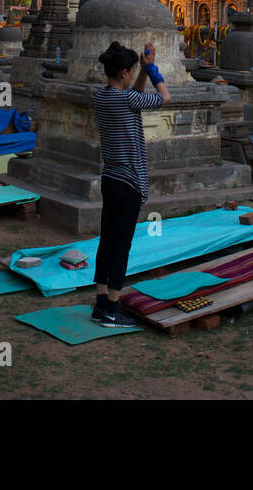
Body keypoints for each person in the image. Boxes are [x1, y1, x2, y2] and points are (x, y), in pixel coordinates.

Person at [90, 40, 171, 328]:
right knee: (121, 246)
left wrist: (142, 72)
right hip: (129, 183)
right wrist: (153, 70)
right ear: (124, 72)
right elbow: (165, 97)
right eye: (134, 70)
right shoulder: (127, 100)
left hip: (110, 178)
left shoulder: (101, 97)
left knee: (107, 241)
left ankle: (101, 304)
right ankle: (113, 308)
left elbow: (132, 93)